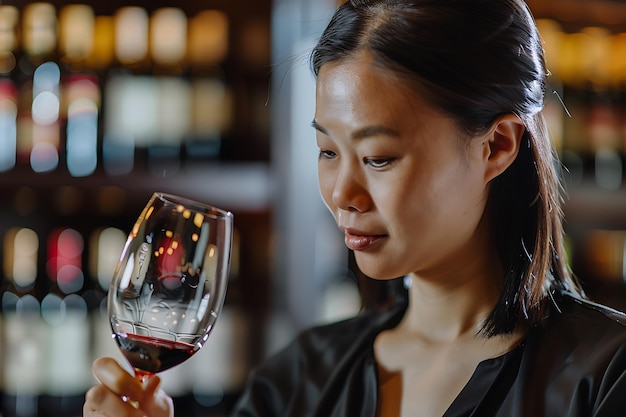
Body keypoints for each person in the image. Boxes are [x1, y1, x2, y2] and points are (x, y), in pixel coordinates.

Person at [83, 0, 626, 416]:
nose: (342, 194)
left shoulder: (604, 375)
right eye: (326, 151)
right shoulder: (299, 380)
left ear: (497, 146)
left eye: (379, 157)